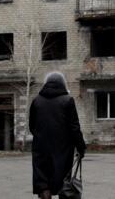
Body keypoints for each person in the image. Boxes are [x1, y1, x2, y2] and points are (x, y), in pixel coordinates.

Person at [29, 71, 86, 199]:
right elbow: (74, 128)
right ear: (62, 84)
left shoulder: (36, 101)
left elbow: (32, 126)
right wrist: (81, 147)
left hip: (40, 148)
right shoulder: (68, 100)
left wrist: (41, 137)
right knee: (62, 180)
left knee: (43, 182)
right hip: (63, 148)